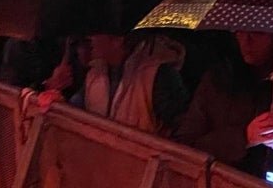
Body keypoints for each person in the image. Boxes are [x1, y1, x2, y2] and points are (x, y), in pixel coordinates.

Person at [176, 31, 273, 176]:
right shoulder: (218, 79)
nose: (246, 41)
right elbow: (185, 146)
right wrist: (244, 137)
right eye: (240, 32)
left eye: (258, 33)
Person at [45, 33, 188, 135]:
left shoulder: (159, 77)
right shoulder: (94, 73)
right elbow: (73, 118)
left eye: (98, 31)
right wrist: (54, 89)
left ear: (118, 39)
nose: (90, 37)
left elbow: (181, 133)